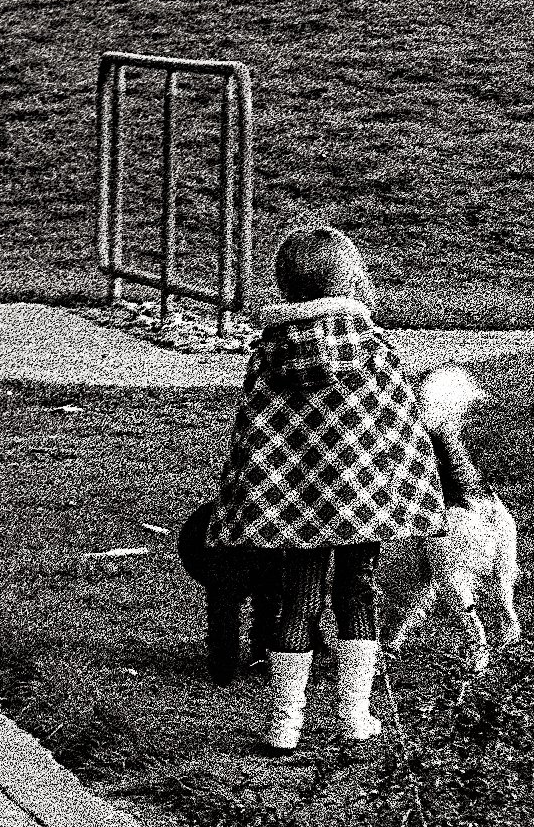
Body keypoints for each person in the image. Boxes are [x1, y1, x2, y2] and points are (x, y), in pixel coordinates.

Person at [207, 223, 483, 752]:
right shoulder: (377, 348)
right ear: (352, 279)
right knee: (359, 591)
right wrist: (412, 483)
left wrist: (248, 487)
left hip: (290, 501)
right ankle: (355, 714)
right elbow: (400, 423)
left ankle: (283, 723)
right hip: (365, 498)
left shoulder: (270, 351)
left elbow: (256, 425)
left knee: (298, 600)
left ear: (286, 286)